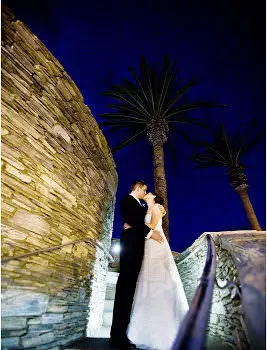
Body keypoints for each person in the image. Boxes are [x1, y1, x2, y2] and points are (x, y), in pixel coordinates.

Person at [127, 192, 189, 350]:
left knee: (160, 279)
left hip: (156, 245)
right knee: (147, 280)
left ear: (153, 197)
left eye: (149, 192)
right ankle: (144, 330)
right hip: (149, 245)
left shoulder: (155, 207)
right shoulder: (146, 209)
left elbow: (154, 226)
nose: (146, 193)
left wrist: (133, 226)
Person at [109, 181, 164, 350]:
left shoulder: (140, 204)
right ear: (137, 188)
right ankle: (117, 337)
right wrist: (149, 233)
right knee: (124, 291)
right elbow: (131, 219)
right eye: (144, 190)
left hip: (137, 249)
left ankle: (121, 334)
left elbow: (136, 221)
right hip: (131, 249)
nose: (145, 192)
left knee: (128, 292)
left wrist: (141, 220)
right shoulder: (127, 200)